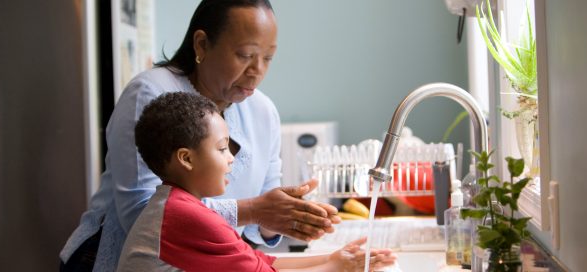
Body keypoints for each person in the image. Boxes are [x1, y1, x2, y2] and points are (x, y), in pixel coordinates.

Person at [60, 0, 340, 271]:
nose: (258, 71)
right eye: (245, 55)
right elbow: (143, 216)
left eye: (268, 58)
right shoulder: (151, 92)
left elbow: (257, 230)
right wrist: (256, 210)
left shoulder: (264, 111)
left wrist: (286, 217)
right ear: (202, 44)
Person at [116, 92, 396, 271]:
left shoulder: (177, 206)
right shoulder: (185, 216)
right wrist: (337, 267)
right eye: (223, 147)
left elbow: (261, 262)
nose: (231, 159)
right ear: (186, 159)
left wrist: (330, 258)